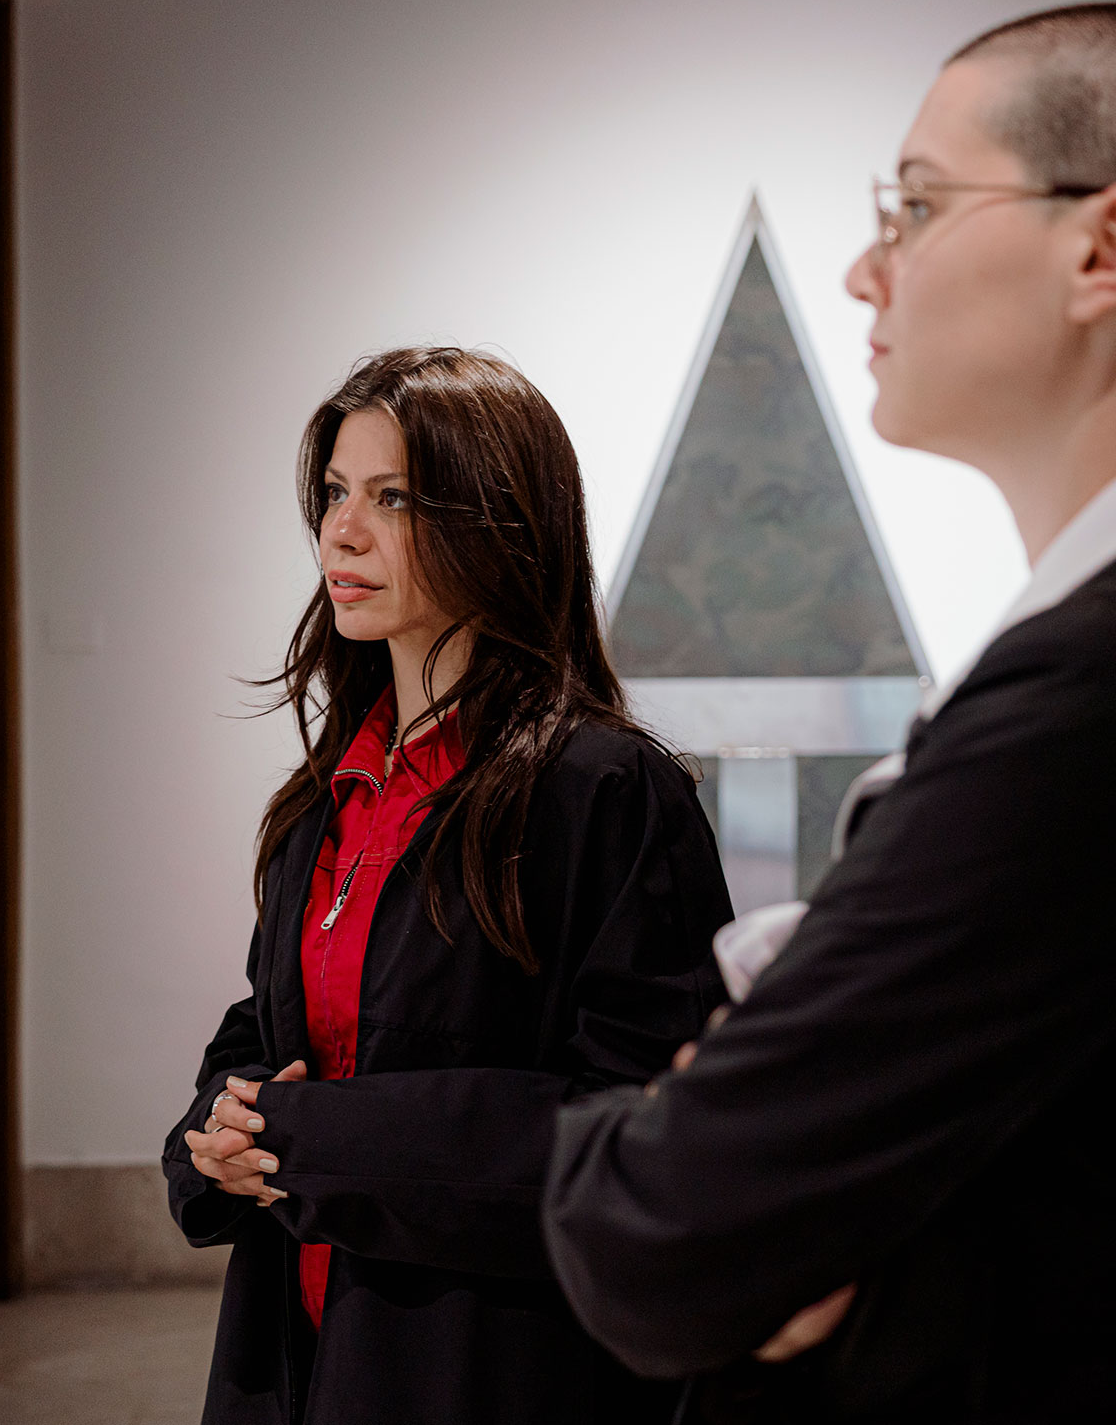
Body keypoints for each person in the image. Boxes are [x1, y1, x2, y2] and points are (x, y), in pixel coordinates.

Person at [542, 2, 1116, 1422]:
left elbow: (657, 1231)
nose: (865, 268)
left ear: (1107, 248)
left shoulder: (1113, 704)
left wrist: (672, 1161)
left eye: (919, 206)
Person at [164, 347, 732, 1424]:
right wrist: (214, 1137)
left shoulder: (604, 793)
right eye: (335, 491)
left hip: (492, 1365)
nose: (341, 532)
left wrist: (313, 1138)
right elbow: (271, 1026)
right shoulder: (327, 794)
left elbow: (643, 1125)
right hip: (291, 1355)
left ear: (499, 523)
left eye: (393, 498)